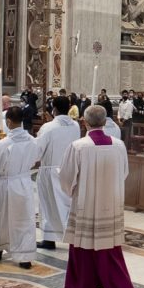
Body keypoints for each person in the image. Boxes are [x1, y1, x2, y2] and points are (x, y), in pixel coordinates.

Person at [59, 104, 135, 288]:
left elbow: (67, 178)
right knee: (108, 247)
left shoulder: (78, 146)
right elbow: (124, 173)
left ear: (84, 122)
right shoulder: (119, 145)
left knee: (83, 248)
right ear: (105, 121)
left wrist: (72, 191)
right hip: (111, 202)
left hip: (86, 202)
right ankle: (115, 286)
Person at [0, 107, 39, 269]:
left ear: (8, 122)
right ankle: (25, 256)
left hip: (7, 184)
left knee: (2, 218)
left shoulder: (3, 144)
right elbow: (35, 159)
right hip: (24, 183)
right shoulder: (32, 140)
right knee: (24, 220)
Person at [35, 96, 81, 250]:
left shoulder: (48, 127)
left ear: (53, 109)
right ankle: (71, 234)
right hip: (69, 168)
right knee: (68, 203)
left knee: (49, 204)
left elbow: (38, 150)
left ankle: (49, 238)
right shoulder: (75, 125)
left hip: (50, 170)